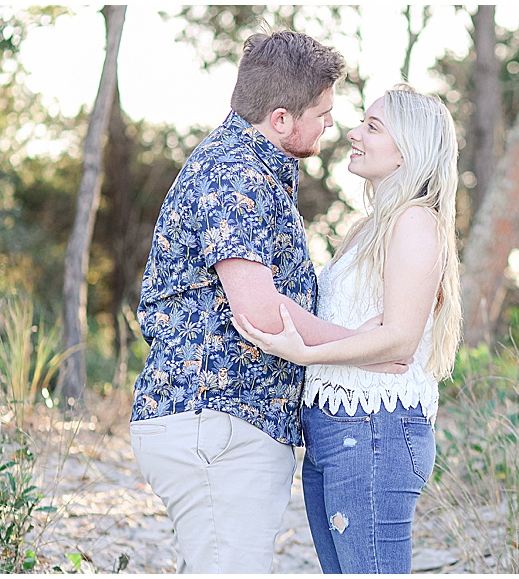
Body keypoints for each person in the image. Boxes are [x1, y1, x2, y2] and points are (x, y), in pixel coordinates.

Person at [129, 31, 406, 574]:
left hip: (228, 424)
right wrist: (365, 348)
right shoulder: (236, 176)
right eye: (322, 114)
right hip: (218, 423)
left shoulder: (252, 170)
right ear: (281, 119)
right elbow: (258, 312)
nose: (332, 125)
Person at [233, 84, 463, 574]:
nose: (354, 133)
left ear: (410, 149)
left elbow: (400, 339)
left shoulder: (415, 222)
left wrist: (305, 354)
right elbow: (358, 331)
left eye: (373, 126)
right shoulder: (369, 228)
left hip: (375, 427)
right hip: (335, 426)